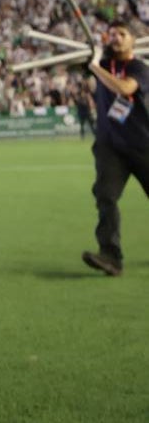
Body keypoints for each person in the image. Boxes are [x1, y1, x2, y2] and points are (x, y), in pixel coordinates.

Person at [81, 22, 149, 278]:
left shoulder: (139, 68)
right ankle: (110, 256)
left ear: (133, 40)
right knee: (105, 196)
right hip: (110, 146)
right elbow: (78, 71)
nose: (117, 38)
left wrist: (96, 67)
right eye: (113, 34)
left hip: (142, 143)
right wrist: (94, 58)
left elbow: (124, 88)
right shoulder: (102, 64)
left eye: (123, 34)